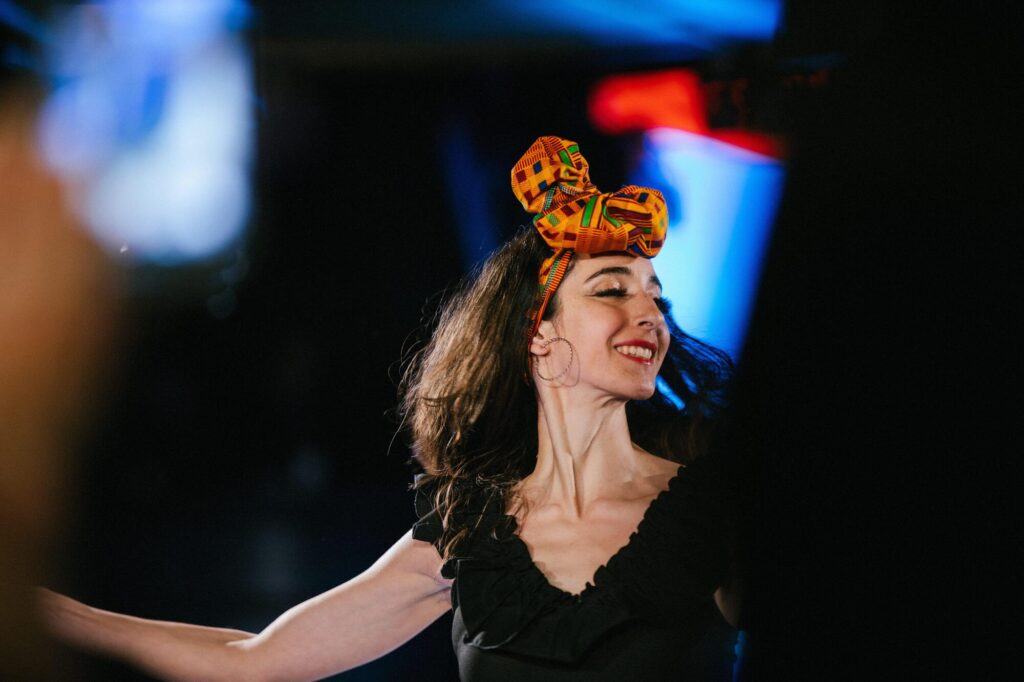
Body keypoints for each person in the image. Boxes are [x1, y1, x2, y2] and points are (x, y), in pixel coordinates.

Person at [39, 136, 741, 681]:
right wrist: (57, 617)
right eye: (613, 290)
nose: (650, 312)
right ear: (540, 334)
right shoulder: (471, 532)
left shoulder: (713, 507)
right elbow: (254, 660)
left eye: (655, 294)